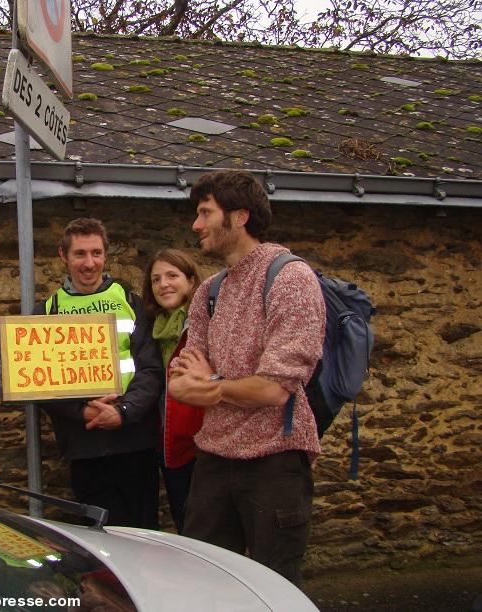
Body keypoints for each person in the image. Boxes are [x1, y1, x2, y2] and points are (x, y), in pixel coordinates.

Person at [169, 170, 325, 585]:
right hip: (213, 461)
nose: (195, 225)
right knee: (205, 584)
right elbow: (179, 382)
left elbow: (274, 389)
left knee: (272, 589)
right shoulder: (209, 291)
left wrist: (210, 385)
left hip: (274, 461)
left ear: (239, 217)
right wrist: (226, 386)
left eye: (205, 213)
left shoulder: (290, 278)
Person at [34, 217, 163, 529]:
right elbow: (36, 381)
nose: (89, 263)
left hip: (134, 442)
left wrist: (123, 411)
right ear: (63, 257)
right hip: (85, 445)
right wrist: (82, 410)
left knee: (144, 536)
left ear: (106, 256)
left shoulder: (131, 302)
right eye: (80, 254)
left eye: (96, 253)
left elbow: (150, 369)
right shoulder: (47, 312)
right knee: (99, 542)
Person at [141, 248, 203, 534]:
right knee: (185, 524)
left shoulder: (203, 325)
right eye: (155, 280)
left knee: (207, 532)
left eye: (172, 276)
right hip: (169, 447)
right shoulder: (154, 330)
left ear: (191, 281)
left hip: (201, 448)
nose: (163, 284)